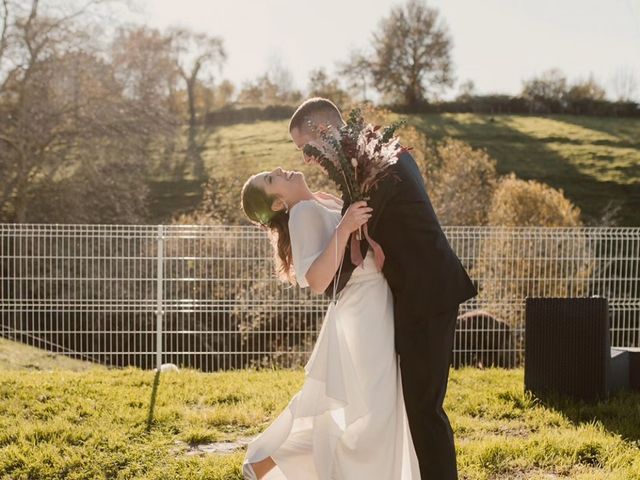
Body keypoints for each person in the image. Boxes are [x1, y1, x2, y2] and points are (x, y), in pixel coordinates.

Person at [288, 97, 479, 480]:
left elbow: (358, 231)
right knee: (417, 408)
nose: (307, 158)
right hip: (416, 295)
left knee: (424, 410)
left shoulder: (375, 165)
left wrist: (323, 259)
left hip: (426, 294)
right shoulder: (378, 154)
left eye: (306, 147)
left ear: (324, 132)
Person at [240, 166, 420, 479]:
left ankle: (266, 462)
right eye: (272, 179)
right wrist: (345, 226)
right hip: (360, 310)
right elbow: (318, 279)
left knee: (363, 407)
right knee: (370, 411)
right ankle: (269, 462)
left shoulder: (320, 199)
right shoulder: (302, 212)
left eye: (271, 172)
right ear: (278, 205)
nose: (280, 170)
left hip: (375, 301)